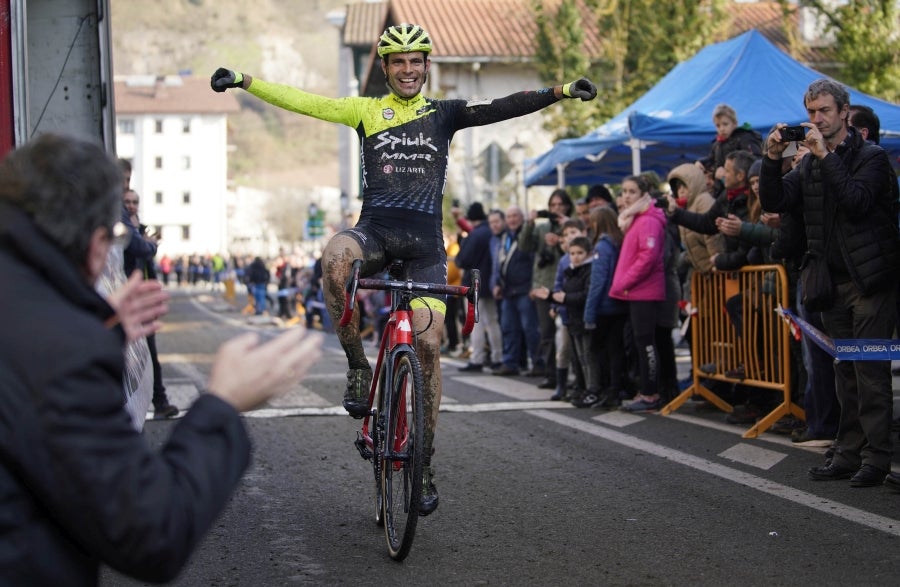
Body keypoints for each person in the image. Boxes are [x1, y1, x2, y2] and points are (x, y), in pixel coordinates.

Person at [211, 23, 597, 514]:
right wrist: (245, 81)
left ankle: (424, 461)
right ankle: (358, 367)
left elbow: (503, 106)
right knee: (335, 258)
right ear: (387, 68)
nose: (408, 69)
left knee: (430, 345)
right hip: (374, 235)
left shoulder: (445, 113)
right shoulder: (366, 111)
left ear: (427, 66)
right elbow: (306, 102)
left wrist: (561, 91)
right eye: (399, 62)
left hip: (425, 249)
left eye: (416, 61)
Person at [0, 133, 323, 585]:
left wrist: (95, 324)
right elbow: (150, 531)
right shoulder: (62, 350)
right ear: (97, 244)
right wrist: (222, 404)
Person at [759, 78, 900, 488]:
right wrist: (772, 159)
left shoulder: (872, 157)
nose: (816, 119)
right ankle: (848, 452)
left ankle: (877, 458)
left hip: (870, 282)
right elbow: (775, 201)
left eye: (824, 111)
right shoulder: (809, 164)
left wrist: (823, 156)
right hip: (832, 284)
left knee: (870, 372)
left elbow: (856, 201)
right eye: (811, 112)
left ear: (844, 113)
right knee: (846, 373)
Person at [610, 175, 668, 412]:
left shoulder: (648, 220)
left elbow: (647, 258)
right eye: (624, 191)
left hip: (644, 291)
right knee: (640, 341)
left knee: (645, 342)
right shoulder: (635, 218)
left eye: (632, 191)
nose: (626, 196)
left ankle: (650, 394)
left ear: (644, 194)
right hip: (637, 291)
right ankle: (646, 390)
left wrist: (624, 282)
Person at [121, 188, 179, 420]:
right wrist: (148, 243)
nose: (131, 205)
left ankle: (160, 401)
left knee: (150, 354)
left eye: (135, 202)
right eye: (127, 201)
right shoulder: (124, 231)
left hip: (144, 299)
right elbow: (139, 250)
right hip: (125, 298)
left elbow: (146, 258)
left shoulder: (141, 230)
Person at [521, 189, 574, 388]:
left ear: (567, 206)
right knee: (546, 333)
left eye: (560, 205)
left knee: (570, 333)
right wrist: (529, 223)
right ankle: (551, 375)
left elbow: (579, 250)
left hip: (566, 287)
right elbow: (524, 247)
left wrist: (561, 238)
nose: (556, 209)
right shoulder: (542, 228)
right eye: (553, 205)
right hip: (543, 287)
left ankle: (573, 377)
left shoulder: (572, 226)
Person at [584, 206, 628, 408]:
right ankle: (616, 389)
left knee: (600, 350)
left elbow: (598, 282)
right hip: (620, 303)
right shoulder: (619, 242)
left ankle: (607, 389)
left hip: (604, 306)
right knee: (616, 349)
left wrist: (589, 313)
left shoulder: (602, 247)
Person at [455, 202, 503, 372]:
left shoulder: (474, 235)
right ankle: (497, 357)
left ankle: (477, 358)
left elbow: (462, 260)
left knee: (476, 323)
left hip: (474, 284)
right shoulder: (491, 232)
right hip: (490, 284)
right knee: (493, 322)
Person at [551, 236, 595, 405]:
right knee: (578, 356)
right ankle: (582, 388)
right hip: (571, 318)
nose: (575, 257)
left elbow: (585, 294)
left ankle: (591, 389)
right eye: (572, 253)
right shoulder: (569, 268)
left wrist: (565, 298)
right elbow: (561, 286)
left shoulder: (589, 269)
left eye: (580, 253)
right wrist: (556, 301)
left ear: (588, 253)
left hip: (584, 318)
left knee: (588, 357)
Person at [699, 103, 762, 192]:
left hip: (744, 188)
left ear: (734, 123)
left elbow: (756, 161)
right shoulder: (717, 144)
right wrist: (701, 162)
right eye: (718, 125)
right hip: (722, 189)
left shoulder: (744, 138)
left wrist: (729, 172)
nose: (722, 129)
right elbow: (712, 159)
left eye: (725, 124)